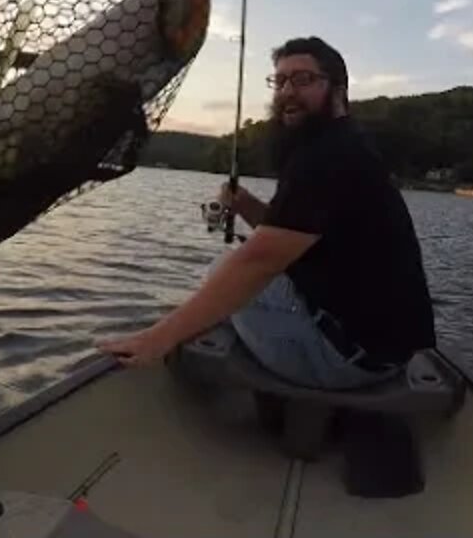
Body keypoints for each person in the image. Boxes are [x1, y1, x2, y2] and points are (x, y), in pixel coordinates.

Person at [98, 36, 436, 390]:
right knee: (239, 276)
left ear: (338, 89)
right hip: (386, 353)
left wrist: (157, 339)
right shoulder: (344, 143)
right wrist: (244, 204)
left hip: (348, 362)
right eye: (281, 80)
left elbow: (258, 261)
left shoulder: (327, 157)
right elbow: (294, 236)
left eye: (303, 79)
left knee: (225, 269)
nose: (288, 91)